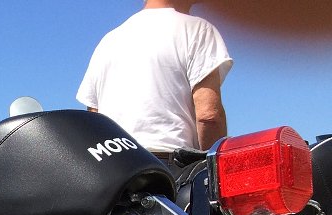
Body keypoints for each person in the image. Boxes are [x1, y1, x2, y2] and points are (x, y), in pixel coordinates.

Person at [77, 1, 232, 157]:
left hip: (114, 165)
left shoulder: (107, 43)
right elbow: (209, 116)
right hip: (170, 168)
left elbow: (94, 120)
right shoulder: (197, 29)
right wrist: (213, 166)